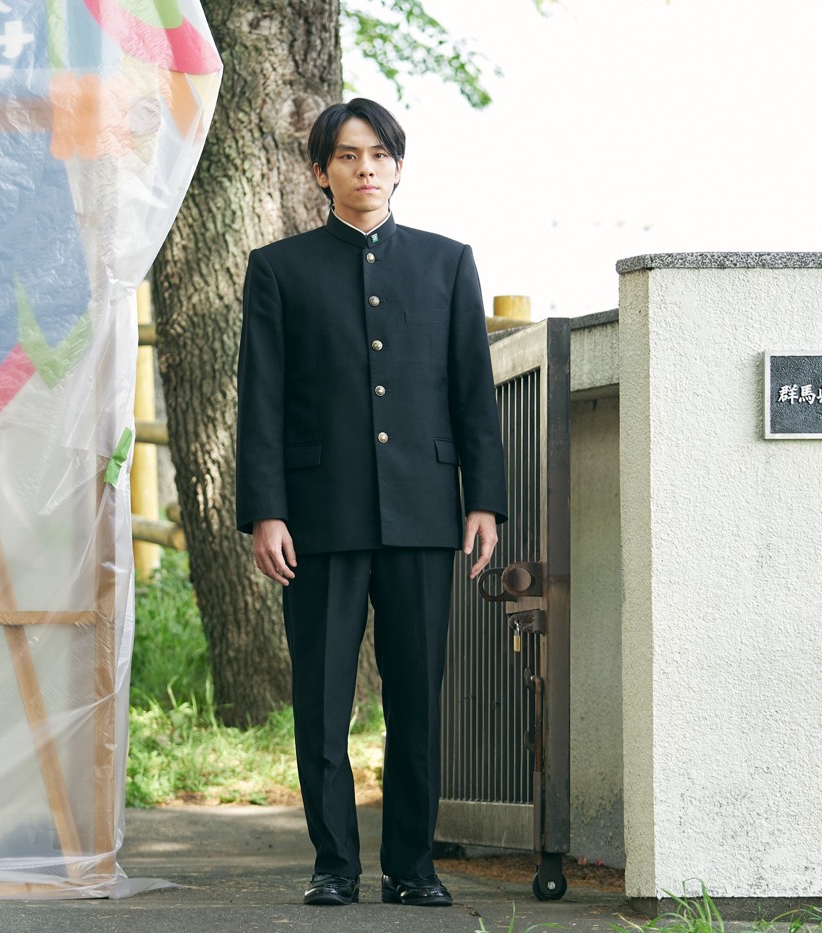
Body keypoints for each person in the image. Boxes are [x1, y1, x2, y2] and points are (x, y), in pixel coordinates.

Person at [236, 98, 508, 908]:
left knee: (416, 698)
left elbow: (472, 391)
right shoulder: (279, 269)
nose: (366, 169)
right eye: (349, 156)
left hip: (424, 512)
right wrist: (266, 509)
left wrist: (483, 501)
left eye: (380, 154)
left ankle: (413, 867)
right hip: (318, 516)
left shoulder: (447, 263)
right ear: (321, 172)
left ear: (398, 165)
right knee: (322, 700)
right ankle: (334, 864)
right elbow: (262, 399)